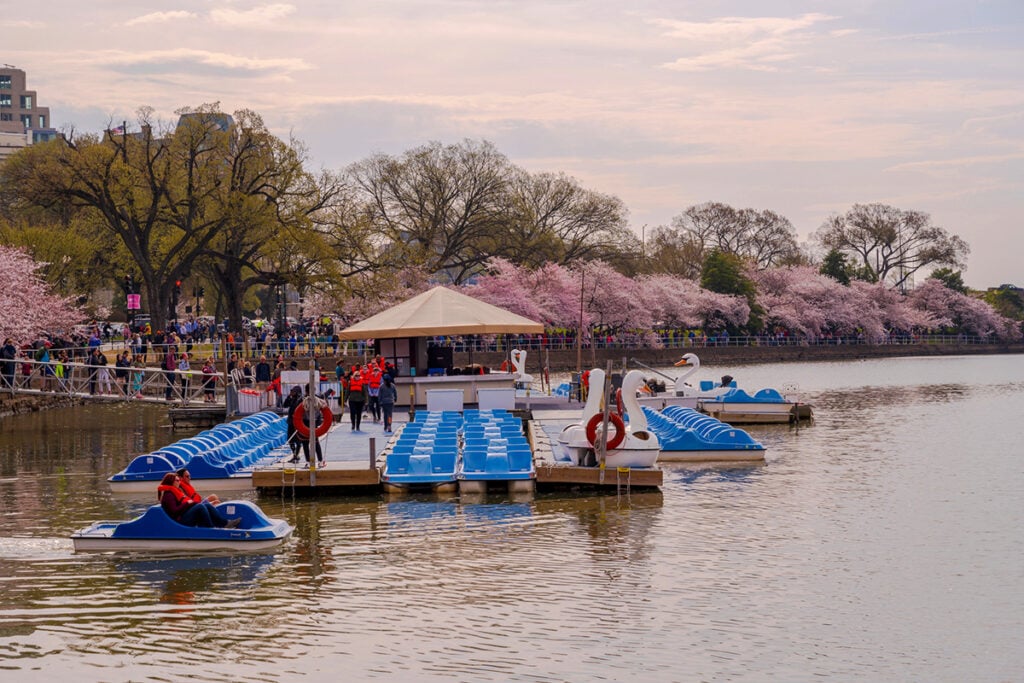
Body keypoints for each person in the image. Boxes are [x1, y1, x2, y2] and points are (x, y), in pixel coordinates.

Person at [157, 472, 239, 528]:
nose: (179, 482)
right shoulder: (168, 495)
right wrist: (188, 504)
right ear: (171, 482)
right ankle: (210, 528)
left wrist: (190, 504)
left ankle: (225, 523)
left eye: (179, 480)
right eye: (177, 480)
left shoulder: (175, 492)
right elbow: (175, 511)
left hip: (183, 516)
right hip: (180, 521)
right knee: (200, 507)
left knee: (206, 505)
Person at [297, 389, 327, 467]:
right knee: (312, 443)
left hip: (307, 423)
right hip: (309, 423)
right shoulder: (308, 400)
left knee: (308, 443)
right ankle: (318, 461)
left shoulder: (303, 400)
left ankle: (310, 462)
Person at [283, 385, 303, 461]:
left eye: (294, 391)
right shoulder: (292, 399)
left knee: (298, 440)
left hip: (297, 423)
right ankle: (294, 454)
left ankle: (296, 455)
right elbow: (285, 405)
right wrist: (289, 396)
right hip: (291, 422)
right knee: (290, 439)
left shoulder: (300, 400)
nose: (292, 393)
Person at [347, 366, 367, 431]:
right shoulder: (350, 383)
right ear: (354, 376)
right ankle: (353, 424)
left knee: (359, 414)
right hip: (352, 400)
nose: (357, 377)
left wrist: (366, 400)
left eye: (358, 376)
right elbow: (348, 391)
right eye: (356, 376)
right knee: (352, 413)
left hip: (360, 400)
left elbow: (364, 392)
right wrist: (345, 399)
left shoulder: (362, 383)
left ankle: (358, 426)